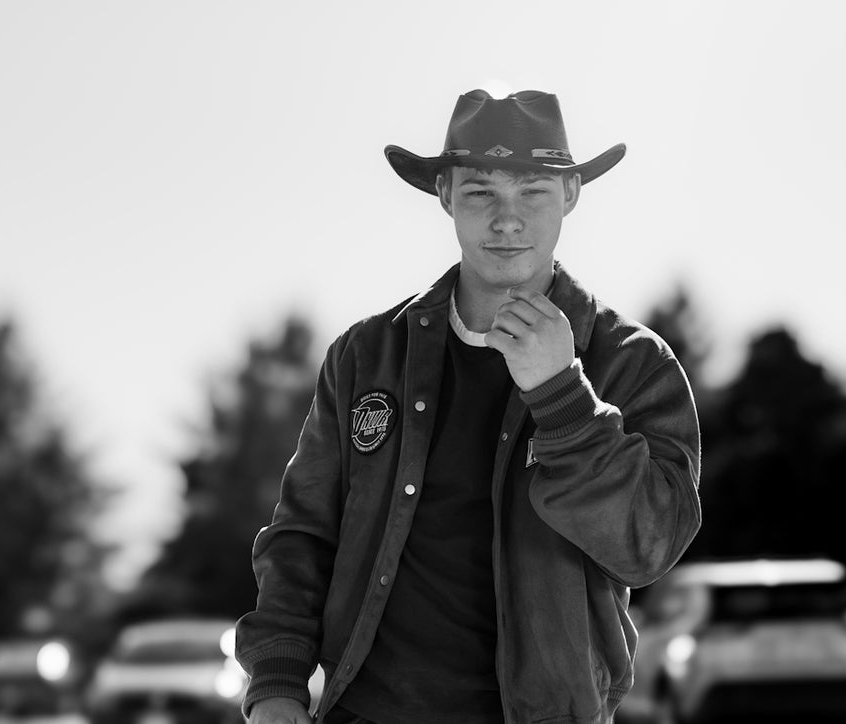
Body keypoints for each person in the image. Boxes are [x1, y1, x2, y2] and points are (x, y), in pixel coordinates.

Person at [235, 89, 702, 724]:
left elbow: (649, 546)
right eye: (481, 191)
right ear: (446, 196)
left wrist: (562, 396)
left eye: (533, 190)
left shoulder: (632, 362)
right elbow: (303, 534)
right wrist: (278, 683)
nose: (507, 219)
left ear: (570, 196)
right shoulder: (367, 355)